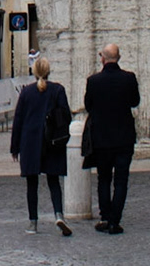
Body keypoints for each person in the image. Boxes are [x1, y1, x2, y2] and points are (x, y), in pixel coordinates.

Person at [10, 55, 73, 236]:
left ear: (34, 72)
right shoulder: (58, 90)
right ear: (49, 71)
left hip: (30, 142)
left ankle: (33, 222)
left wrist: (15, 147)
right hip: (51, 141)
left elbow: (18, 120)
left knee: (32, 183)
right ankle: (59, 214)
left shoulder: (27, 92)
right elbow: (66, 116)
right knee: (53, 181)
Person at [82, 42, 140, 234]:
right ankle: (116, 220)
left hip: (101, 137)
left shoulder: (93, 81)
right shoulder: (129, 78)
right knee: (121, 180)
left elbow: (88, 105)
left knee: (104, 178)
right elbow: (135, 102)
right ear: (119, 58)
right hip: (124, 137)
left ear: (103, 59)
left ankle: (105, 217)